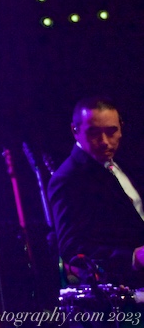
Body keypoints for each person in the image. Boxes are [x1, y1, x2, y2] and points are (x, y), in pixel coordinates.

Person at [48, 95, 144, 286]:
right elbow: (71, 248)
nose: (105, 141)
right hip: (122, 291)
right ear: (75, 131)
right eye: (93, 133)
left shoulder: (126, 162)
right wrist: (133, 258)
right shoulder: (67, 179)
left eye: (111, 131)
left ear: (121, 128)